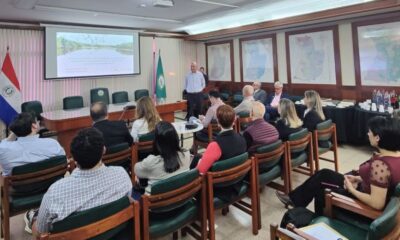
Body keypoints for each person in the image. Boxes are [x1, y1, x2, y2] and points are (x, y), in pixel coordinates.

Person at [276, 116, 400, 215]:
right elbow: (383, 182)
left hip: (361, 198)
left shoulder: (381, 166)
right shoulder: (394, 155)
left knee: (322, 193)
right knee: (324, 174)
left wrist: (352, 190)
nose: (368, 134)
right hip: (362, 185)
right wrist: (359, 178)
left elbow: (376, 204)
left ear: (377, 137)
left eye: (370, 132)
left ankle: (319, 224)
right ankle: (294, 200)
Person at [26, 128, 132, 234]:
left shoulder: (54, 193)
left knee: (36, 223)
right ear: (103, 150)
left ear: (73, 159)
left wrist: (34, 222)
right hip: (115, 233)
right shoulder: (121, 174)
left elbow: (42, 232)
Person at [134, 121, 190, 195]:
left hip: (154, 204)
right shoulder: (186, 154)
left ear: (156, 142)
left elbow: (136, 169)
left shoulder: (150, 162)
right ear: (176, 138)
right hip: (182, 197)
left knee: (139, 178)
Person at [0, 112, 65, 176]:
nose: (38, 122)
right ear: (34, 126)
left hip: (19, 185)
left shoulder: (3, 149)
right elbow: (63, 160)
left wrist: (17, 130)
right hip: (51, 182)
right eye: (37, 121)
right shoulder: (52, 144)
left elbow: (4, 143)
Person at [195, 105, 247, 174]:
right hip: (238, 177)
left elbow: (200, 171)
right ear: (234, 121)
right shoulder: (242, 138)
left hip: (220, 182)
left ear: (218, 122)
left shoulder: (215, 145)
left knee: (196, 160)